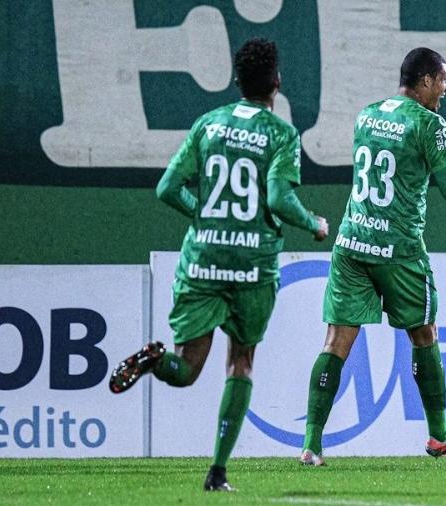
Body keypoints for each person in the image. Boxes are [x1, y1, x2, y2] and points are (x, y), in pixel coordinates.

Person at [109, 38, 328, 491]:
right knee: (241, 363)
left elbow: (167, 188)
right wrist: (314, 223)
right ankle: (217, 471)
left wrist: (203, 212)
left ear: (236, 81)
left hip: (203, 259)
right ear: (278, 83)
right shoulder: (280, 134)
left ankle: (155, 361)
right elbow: (277, 198)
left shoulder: (208, 124)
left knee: (186, 370)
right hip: (251, 264)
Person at [300, 47, 446, 466]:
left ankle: (311, 444)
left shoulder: (370, 113)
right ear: (425, 81)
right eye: (443, 79)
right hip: (398, 250)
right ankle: (438, 434)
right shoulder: (428, 122)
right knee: (424, 335)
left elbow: (401, 154)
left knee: (336, 343)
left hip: (353, 243)